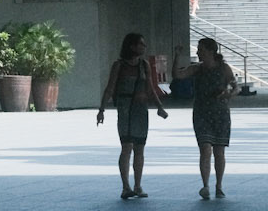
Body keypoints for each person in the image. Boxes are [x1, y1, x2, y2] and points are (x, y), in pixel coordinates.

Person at [97, 32, 168, 199]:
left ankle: (137, 185)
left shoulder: (144, 65)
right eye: (141, 44)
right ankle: (126, 186)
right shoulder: (119, 65)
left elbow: (150, 87)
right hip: (125, 109)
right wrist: (102, 109)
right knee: (127, 146)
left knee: (140, 148)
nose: (144, 47)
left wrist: (159, 107)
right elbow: (110, 88)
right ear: (132, 46)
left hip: (141, 109)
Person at [173, 37, 238, 199]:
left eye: (200, 49)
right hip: (202, 113)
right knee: (205, 148)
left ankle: (219, 185)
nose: (197, 52)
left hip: (220, 113)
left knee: (219, 151)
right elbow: (178, 75)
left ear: (210, 51)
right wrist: (177, 56)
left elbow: (235, 86)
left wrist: (228, 94)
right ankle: (206, 185)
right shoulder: (197, 68)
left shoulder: (224, 68)